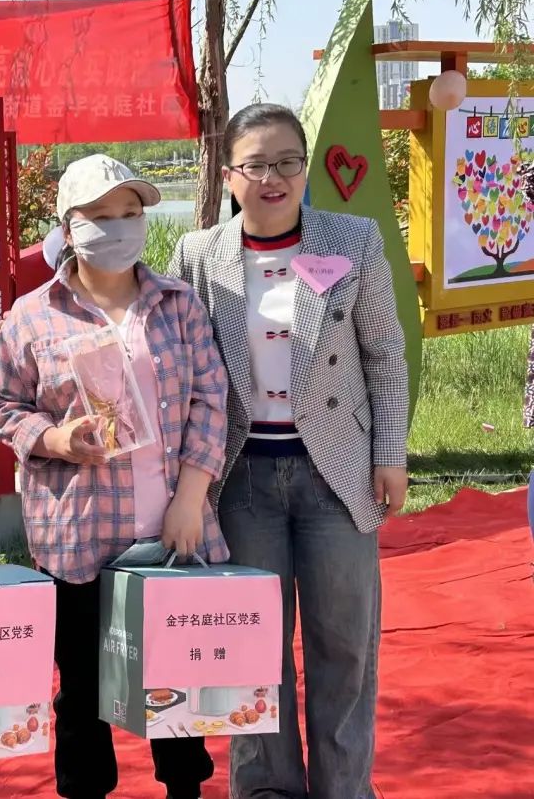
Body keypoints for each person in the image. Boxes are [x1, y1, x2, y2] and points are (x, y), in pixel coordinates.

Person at [170, 103, 409, 799]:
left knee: (344, 644)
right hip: (241, 478)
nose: (272, 177)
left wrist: (389, 451)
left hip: (336, 472)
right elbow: (182, 372)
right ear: (228, 174)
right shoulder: (197, 255)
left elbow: (385, 354)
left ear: (305, 170)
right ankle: (267, 788)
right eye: (255, 165)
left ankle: (344, 788)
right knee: (253, 650)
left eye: (287, 162)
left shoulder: (352, 240)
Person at [0, 154, 227, 799]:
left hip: (171, 527)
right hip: (77, 536)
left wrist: (190, 499)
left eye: (130, 212)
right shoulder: (31, 316)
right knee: (82, 689)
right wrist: (55, 439)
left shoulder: (177, 305)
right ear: (69, 227)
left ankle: (185, 789)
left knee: (175, 679)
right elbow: (3, 407)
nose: (119, 227)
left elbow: (212, 401)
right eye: (100, 215)